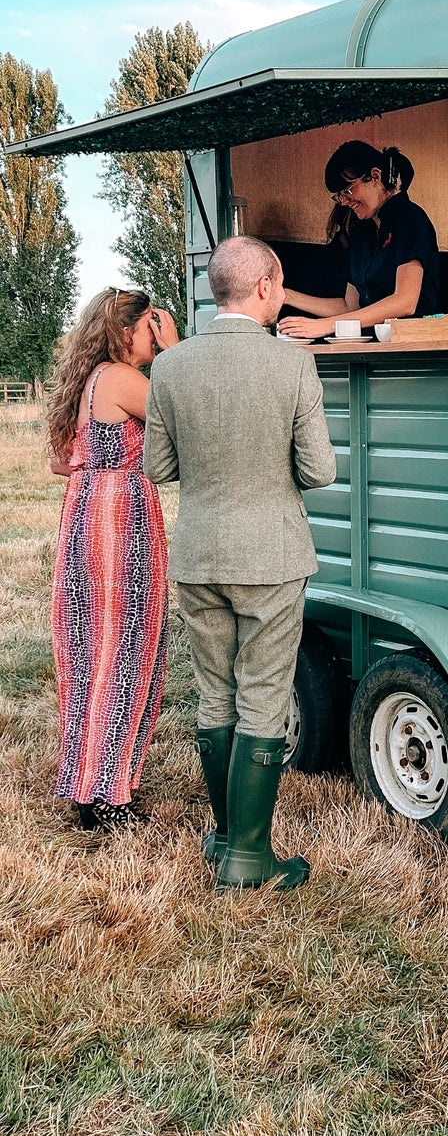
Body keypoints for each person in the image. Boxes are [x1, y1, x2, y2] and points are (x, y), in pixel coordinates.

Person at [144, 236, 337, 891]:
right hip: (271, 555)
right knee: (261, 698)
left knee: (215, 695)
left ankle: (225, 837)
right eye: (278, 286)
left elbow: (158, 468)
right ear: (263, 289)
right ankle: (250, 860)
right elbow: (319, 470)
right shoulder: (293, 364)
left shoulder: (169, 367)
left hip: (199, 552)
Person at [46, 288, 178, 831]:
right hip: (120, 527)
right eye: (152, 325)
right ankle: (108, 800)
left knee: (90, 657)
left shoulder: (92, 378)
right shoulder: (121, 378)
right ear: (127, 332)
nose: (157, 333)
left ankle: (92, 784)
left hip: (87, 520)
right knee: (124, 654)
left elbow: (62, 463)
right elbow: (182, 414)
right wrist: (174, 353)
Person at [278, 141, 439, 338]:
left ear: (375, 177)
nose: (345, 201)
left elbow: (405, 302)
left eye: (348, 191)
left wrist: (326, 325)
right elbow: (349, 307)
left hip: (415, 344)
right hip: (374, 345)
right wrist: (287, 296)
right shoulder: (361, 232)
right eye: (340, 196)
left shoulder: (410, 219)